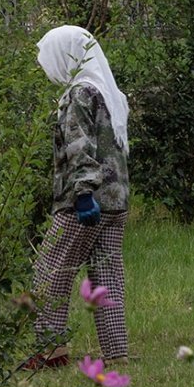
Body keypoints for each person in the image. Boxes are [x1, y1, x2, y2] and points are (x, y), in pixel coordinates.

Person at [31, 25, 130, 367]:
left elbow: (79, 147)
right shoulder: (109, 92)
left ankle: (50, 352)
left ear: (67, 56)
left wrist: (84, 193)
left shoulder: (79, 95)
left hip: (83, 202)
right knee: (107, 277)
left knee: (49, 271)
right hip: (116, 200)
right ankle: (117, 353)